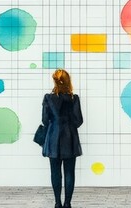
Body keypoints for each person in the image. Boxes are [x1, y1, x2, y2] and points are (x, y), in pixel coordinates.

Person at [41, 69, 84, 208]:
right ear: (68, 81)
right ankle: (67, 203)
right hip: (70, 139)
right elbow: (79, 121)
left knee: (55, 172)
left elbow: (45, 120)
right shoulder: (74, 98)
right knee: (69, 172)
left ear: (54, 81)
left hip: (53, 139)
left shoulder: (48, 98)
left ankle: (57, 203)